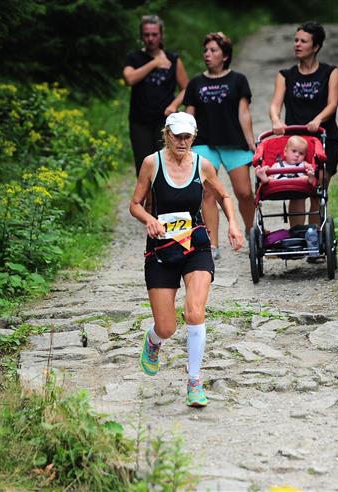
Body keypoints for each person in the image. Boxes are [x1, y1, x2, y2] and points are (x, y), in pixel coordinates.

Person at [129, 112, 243, 407]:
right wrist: (148, 220)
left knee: (194, 312)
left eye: (187, 137)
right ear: (166, 134)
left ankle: (194, 381)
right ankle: (154, 340)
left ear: (193, 137)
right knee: (167, 327)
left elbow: (224, 196)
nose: (182, 141)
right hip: (161, 249)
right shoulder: (152, 163)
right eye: (177, 136)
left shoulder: (202, 165)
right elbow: (135, 204)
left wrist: (232, 224)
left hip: (196, 246)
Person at [183, 32, 256, 260]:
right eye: (205, 50)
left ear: (225, 56)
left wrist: (252, 143)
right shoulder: (196, 83)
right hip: (204, 143)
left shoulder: (238, 80)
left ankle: (252, 232)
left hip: (234, 141)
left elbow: (244, 113)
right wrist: (184, 143)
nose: (207, 54)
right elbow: (189, 115)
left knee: (244, 192)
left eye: (213, 50)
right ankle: (212, 244)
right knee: (208, 192)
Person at [269, 21, 338, 232]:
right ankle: (297, 236)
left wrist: (318, 120)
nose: (297, 45)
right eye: (296, 40)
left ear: (316, 46)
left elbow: (332, 104)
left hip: (324, 138)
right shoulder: (285, 75)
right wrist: (276, 120)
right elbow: (275, 104)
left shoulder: (330, 72)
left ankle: (314, 237)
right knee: (297, 189)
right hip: (296, 142)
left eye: (303, 41)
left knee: (317, 188)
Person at [123, 15, 189, 176]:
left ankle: (165, 193)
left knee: (166, 165)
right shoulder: (134, 58)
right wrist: (154, 63)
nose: (150, 38)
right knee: (144, 167)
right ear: (141, 36)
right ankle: (146, 194)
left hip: (165, 122)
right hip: (140, 122)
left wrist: (174, 105)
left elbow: (187, 88)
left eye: (154, 34)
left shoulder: (173, 59)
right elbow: (129, 79)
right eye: (146, 35)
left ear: (161, 35)